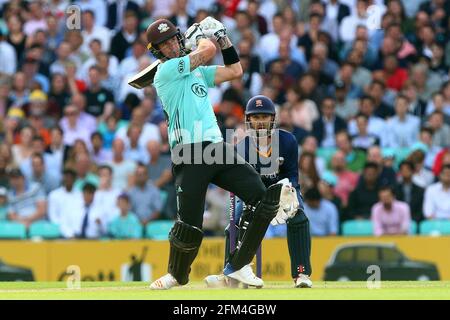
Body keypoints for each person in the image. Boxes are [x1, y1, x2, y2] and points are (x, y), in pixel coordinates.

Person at [145, 18, 282, 289]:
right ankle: (176, 275)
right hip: (189, 153)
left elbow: (235, 70)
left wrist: (223, 39)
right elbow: (205, 52)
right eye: (165, 44)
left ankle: (239, 265)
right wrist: (202, 38)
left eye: (173, 39)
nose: (171, 46)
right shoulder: (166, 71)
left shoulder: (196, 72)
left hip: (215, 147)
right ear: (158, 51)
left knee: (263, 199)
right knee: (190, 227)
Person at [206, 95, 312, 288]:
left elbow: (293, 175)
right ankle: (230, 273)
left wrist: (289, 192)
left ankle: (301, 274)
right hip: (253, 195)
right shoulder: (242, 148)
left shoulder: (288, 141)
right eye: (256, 117)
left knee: (299, 218)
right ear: (249, 120)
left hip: (282, 192)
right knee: (234, 225)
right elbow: (240, 182)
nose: (260, 121)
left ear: (272, 118)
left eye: (264, 116)